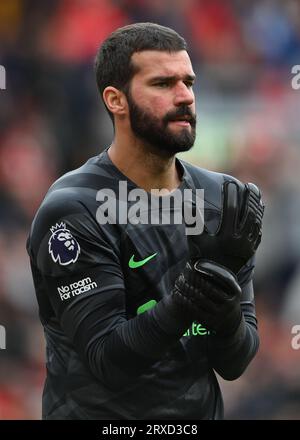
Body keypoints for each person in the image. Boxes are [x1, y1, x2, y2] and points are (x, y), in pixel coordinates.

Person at [27, 22, 264, 420]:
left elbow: (235, 362)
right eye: (163, 84)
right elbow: (109, 361)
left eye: (188, 82)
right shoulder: (75, 209)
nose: (185, 96)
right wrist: (197, 291)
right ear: (116, 100)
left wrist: (223, 312)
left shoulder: (220, 198)